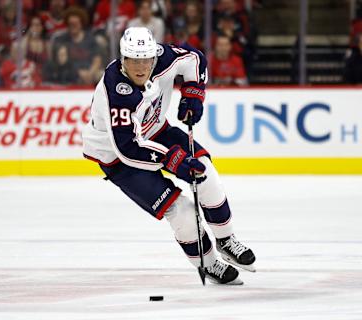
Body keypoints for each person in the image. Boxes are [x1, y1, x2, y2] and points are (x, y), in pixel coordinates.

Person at [81, 27, 256, 285]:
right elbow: (128, 148)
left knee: (205, 172)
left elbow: (195, 59)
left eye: (146, 60)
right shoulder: (116, 92)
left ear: (154, 57)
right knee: (181, 210)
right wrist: (174, 160)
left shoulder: (163, 57)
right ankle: (207, 264)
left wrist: (194, 93)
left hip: (156, 131)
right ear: (122, 59)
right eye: (133, 60)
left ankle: (226, 239)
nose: (140, 67)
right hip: (118, 159)